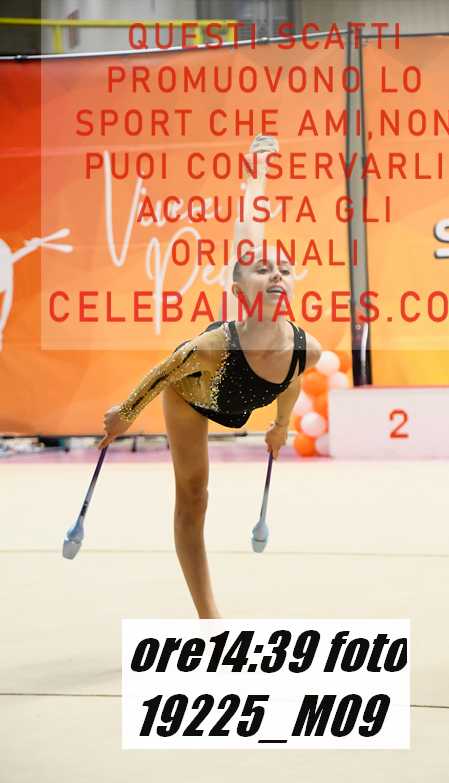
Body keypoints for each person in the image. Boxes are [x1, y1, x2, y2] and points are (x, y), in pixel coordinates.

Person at [97, 135, 321, 618]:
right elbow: (163, 372)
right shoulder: (214, 345)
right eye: (263, 270)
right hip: (192, 393)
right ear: (239, 292)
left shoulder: (307, 348)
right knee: (195, 495)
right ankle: (208, 615)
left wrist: (282, 424)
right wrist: (124, 415)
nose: (277, 275)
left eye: (285, 270)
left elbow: (292, 377)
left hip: (244, 395)